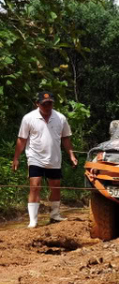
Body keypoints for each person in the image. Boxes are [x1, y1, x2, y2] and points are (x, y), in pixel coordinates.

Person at [12, 92, 78, 228]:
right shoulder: (29, 118)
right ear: (37, 104)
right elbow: (22, 139)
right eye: (44, 104)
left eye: (50, 103)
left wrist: (71, 155)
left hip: (54, 158)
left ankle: (55, 215)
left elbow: (65, 138)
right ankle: (33, 221)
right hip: (35, 157)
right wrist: (16, 158)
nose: (47, 106)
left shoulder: (60, 118)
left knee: (55, 186)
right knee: (35, 186)